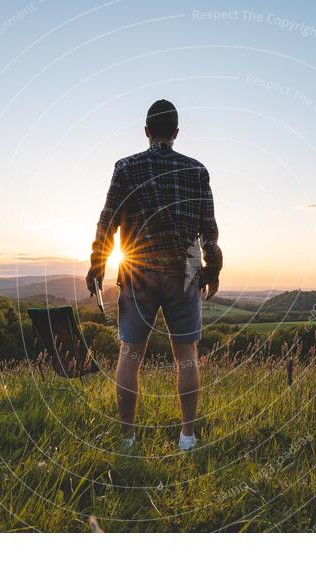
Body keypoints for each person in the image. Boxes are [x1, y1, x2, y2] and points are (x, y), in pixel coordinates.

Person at [87, 99, 222, 452]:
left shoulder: (126, 168)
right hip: (185, 273)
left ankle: (128, 438)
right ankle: (187, 437)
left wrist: (97, 265)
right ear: (176, 133)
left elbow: (108, 221)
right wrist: (214, 267)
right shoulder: (197, 171)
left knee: (130, 355)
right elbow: (209, 230)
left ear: (146, 131)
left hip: (138, 273)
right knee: (187, 356)